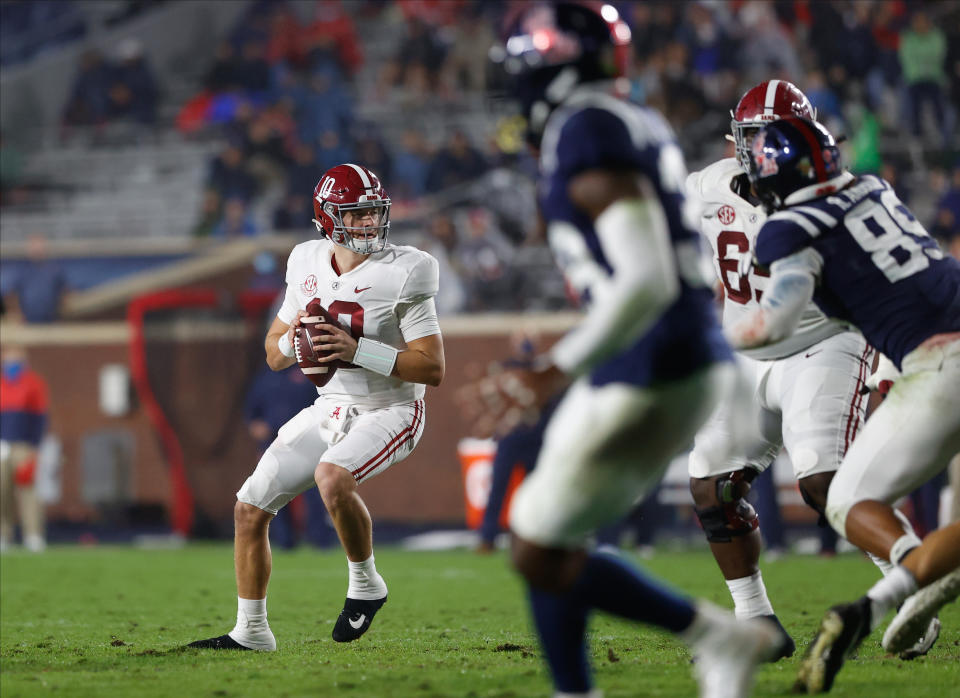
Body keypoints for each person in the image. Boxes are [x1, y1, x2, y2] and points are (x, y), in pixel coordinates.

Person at [478, 5, 782, 696]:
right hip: (673, 353)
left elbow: (644, 276)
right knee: (544, 539)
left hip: (654, 359)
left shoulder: (585, 126)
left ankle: (719, 635)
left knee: (537, 545)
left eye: (528, 61)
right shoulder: (620, 120)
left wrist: (557, 367)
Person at [684, 80, 934, 659]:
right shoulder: (707, 187)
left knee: (828, 483)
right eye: (754, 136)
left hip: (825, 344)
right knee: (710, 487)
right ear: (736, 139)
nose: (766, 149)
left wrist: (889, 363)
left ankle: (912, 592)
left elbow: (890, 282)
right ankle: (757, 620)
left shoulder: (837, 197)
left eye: (779, 136)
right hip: (745, 356)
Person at [726, 116, 960, 693]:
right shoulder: (873, 187)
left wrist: (712, 338)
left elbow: (778, 316)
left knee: (849, 500)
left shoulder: (789, 229)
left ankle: (911, 579)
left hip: (940, 365)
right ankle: (892, 595)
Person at [188, 162, 445, 650]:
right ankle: (251, 632)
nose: (369, 224)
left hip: (392, 408)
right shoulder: (305, 260)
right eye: (357, 215)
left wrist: (355, 350)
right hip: (330, 405)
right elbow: (272, 353)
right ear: (327, 218)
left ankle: (366, 584)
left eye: (374, 213)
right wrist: (297, 340)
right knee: (248, 508)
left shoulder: (409, 267)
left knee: (332, 477)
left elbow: (432, 368)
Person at [0, 344, 49, 552]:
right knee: (2, 492)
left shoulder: (33, 383)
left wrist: (35, 446)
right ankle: (4, 535)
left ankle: (33, 535)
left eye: (16, 357)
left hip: (23, 446)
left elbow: (40, 417)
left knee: (28, 490)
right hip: (1, 445)